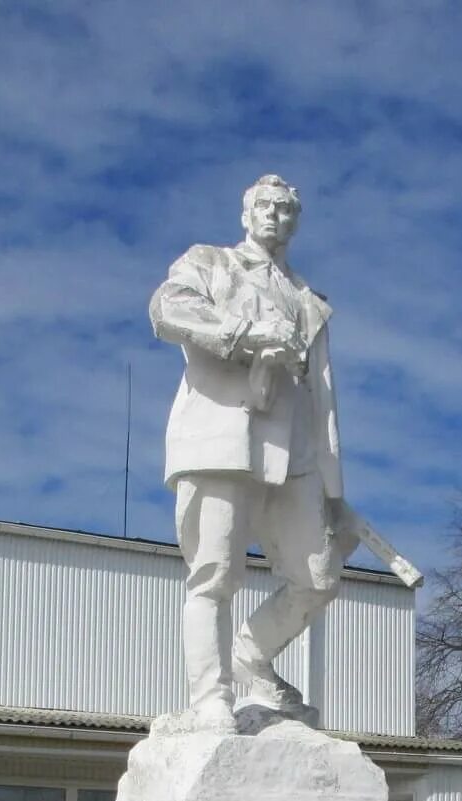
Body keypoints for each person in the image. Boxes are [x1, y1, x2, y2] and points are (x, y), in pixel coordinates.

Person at [148, 173, 350, 731]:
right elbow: (168, 309)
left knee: (318, 577)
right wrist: (246, 332)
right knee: (214, 574)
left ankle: (250, 656)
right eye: (265, 205)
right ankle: (211, 698)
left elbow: (323, 400)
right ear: (246, 213)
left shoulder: (311, 302)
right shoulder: (210, 263)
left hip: (296, 453)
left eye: (285, 209)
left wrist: (335, 492)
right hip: (222, 436)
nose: (274, 216)